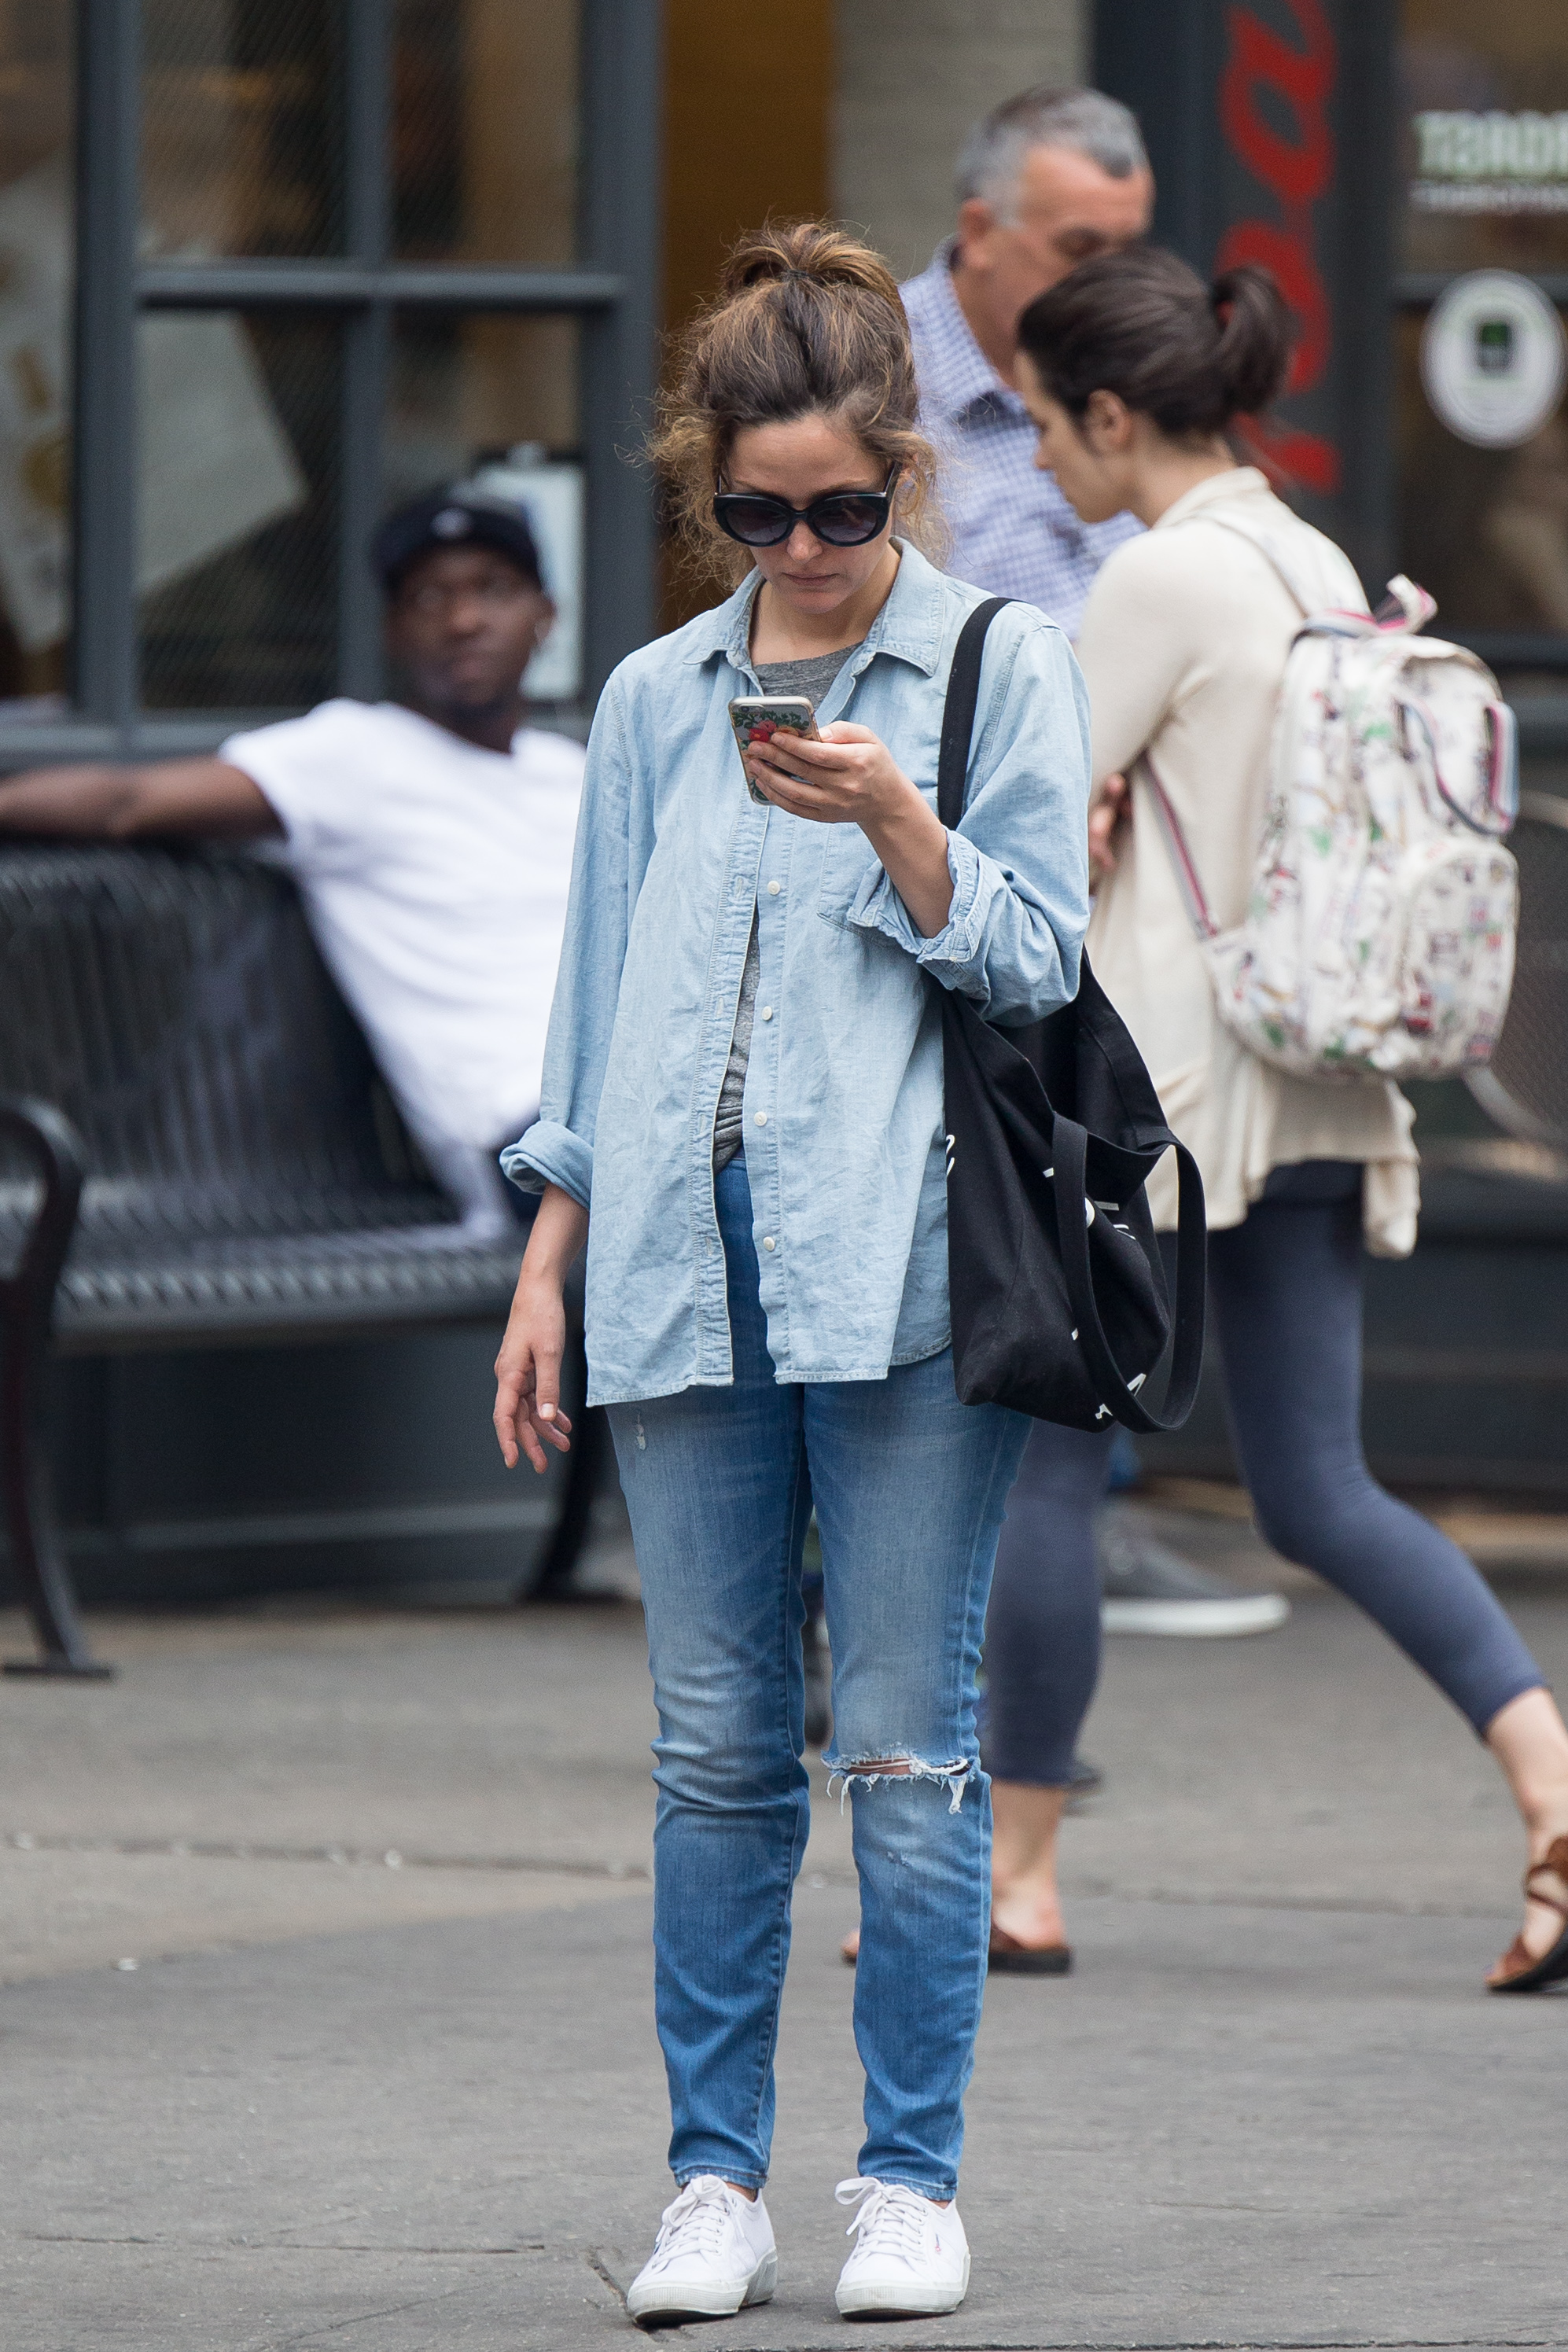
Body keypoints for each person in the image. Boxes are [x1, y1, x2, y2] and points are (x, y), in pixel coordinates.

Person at [490, 222, 1091, 2323]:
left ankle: (906, 2177)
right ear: (706, 492)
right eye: (760, 515)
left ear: (901, 476)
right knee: (714, 1754)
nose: (808, 552)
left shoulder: (998, 663)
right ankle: (711, 2182)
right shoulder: (654, 699)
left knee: (907, 1750)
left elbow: (1040, 960)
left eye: (843, 510)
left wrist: (898, 825)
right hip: (676, 1267)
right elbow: (598, 1008)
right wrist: (549, 1253)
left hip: (909, 1273)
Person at [982, 241, 1568, 1993]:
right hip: (1313, 1063)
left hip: (1158, 1085)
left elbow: (1021, 814)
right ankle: (1551, 1783)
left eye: (1045, 424)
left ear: (1110, 413)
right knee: (1316, 1487)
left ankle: (1016, 1879)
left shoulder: (1159, 573)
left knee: (1046, 1458)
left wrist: (1066, 817)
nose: (1039, 459)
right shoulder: (1309, 553)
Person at [900, 82, 1285, 1678]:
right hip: (939, 897)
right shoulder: (878, 390)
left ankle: (1008, 1656)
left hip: (1106, 922)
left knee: (1065, 1318)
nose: (1105, 278)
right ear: (977, 232)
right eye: (1074, 246)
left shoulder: (1149, 424)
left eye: (1128, 247)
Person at [0, 487, 583, 1230]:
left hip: (637, 1108)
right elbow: (125, 802)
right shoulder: (352, 755)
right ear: (392, 630)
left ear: (546, 615)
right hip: (532, 1146)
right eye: (431, 597)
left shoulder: (576, 774)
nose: (464, 619)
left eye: (494, 589)